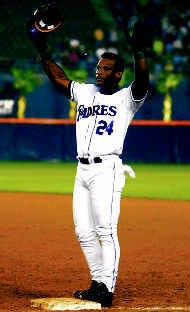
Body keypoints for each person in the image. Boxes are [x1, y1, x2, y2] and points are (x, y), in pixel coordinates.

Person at [28, 11, 149, 307]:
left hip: (106, 169)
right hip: (81, 170)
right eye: (98, 67)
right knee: (83, 230)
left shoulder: (125, 99)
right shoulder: (84, 92)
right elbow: (59, 78)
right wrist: (43, 50)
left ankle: (107, 288)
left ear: (118, 74)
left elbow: (143, 82)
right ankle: (97, 282)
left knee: (105, 229)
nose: (99, 71)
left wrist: (139, 52)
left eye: (106, 69)